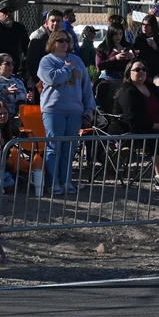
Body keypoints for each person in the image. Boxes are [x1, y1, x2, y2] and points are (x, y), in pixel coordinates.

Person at [38, 29, 96, 195]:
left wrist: (89, 108)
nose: (64, 44)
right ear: (53, 43)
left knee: (69, 148)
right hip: (54, 110)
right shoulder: (46, 61)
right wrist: (66, 68)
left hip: (75, 110)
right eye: (60, 41)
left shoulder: (77, 60)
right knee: (54, 147)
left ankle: (66, 181)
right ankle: (53, 182)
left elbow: (86, 87)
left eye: (67, 41)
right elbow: (52, 79)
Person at [114, 59, 159, 189]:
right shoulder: (127, 91)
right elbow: (132, 117)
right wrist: (153, 126)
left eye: (144, 69)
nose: (141, 72)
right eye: (137, 69)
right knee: (158, 139)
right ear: (129, 72)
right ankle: (158, 177)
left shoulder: (151, 87)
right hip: (136, 128)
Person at [26, 9, 63, 96]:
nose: (55, 24)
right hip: (42, 83)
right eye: (52, 21)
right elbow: (31, 63)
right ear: (46, 22)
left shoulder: (64, 38)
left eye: (58, 21)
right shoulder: (38, 38)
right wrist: (38, 81)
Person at [0, 1, 30, 79]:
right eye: (4, 12)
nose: (8, 14)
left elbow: (26, 48)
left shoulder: (19, 28)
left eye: (10, 11)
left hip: (16, 71)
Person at [0, 53, 28, 118]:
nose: (11, 66)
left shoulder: (19, 81)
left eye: (12, 63)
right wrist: (4, 94)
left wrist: (28, 98)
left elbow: (24, 102)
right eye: (7, 64)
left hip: (20, 117)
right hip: (3, 118)